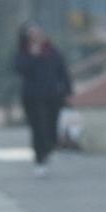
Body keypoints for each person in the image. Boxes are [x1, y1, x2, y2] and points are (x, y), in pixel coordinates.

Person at [14, 23, 73, 177]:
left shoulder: (52, 51)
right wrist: (33, 56)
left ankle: (48, 148)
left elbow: (62, 70)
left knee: (51, 128)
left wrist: (67, 89)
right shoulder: (25, 52)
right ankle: (40, 158)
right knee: (38, 128)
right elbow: (20, 69)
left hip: (52, 95)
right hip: (32, 96)